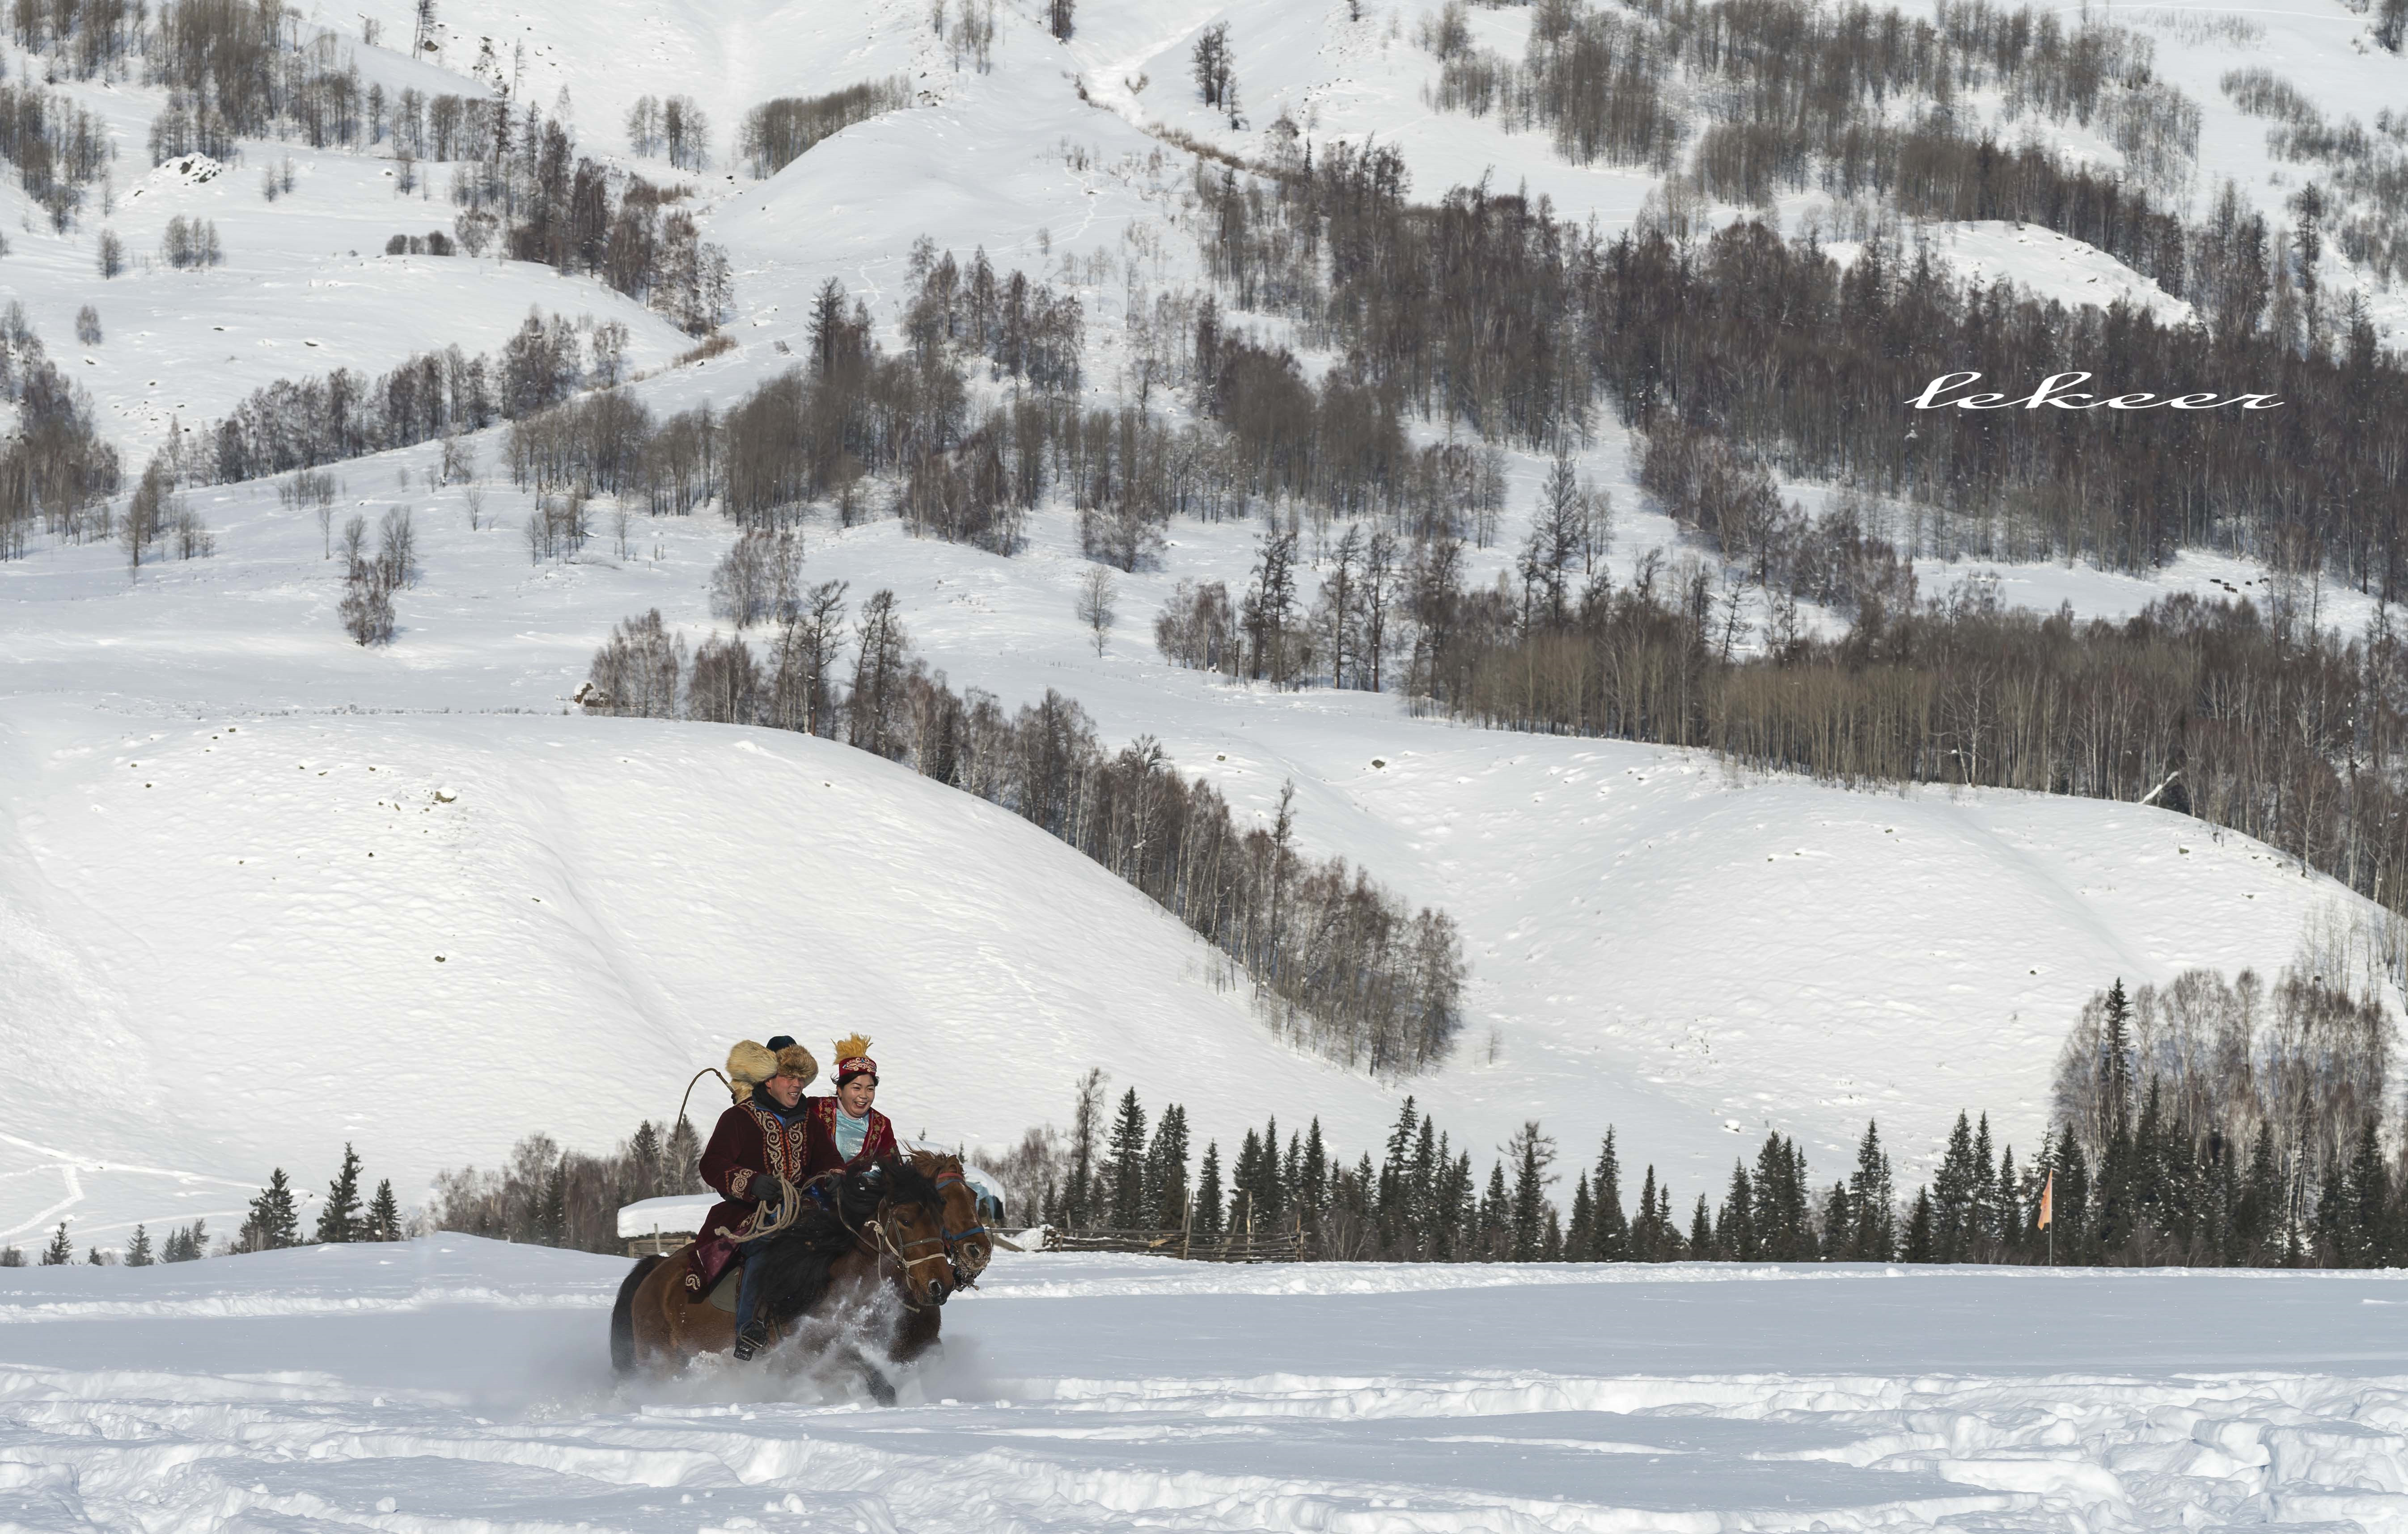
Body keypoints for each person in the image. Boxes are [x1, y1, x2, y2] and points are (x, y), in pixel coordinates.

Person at [692, 1035, 817, 1360]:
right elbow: (712, 1164)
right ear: (768, 1079)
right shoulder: (737, 1117)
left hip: (804, 1211)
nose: (797, 1085)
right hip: (749, 1213)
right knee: (767, 1244)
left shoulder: (810, 1120)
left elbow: (829, 1162)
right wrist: (752, 1182)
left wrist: (833, 1178)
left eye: (801, 1078)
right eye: (789, 1077)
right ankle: (749, 1327)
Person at [800, 1033, 897, 1179]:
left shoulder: (881, 1125)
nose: (864, 1096)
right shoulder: (815, 1108)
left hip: (856, 1191)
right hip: (810, 1186)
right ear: (840, 1089)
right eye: (856, 1088)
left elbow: (895, 1168)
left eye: (870, 1089)